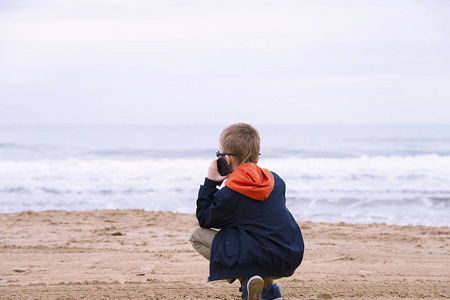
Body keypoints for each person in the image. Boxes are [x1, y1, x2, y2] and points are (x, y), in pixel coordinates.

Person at [190, 123, 304, 300]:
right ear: (257, 158)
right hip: (289, 256)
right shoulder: (276, 181)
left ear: (225, 160)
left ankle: (247, 279)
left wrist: (210, 182)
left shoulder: (230, 194)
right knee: (246, 229)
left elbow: (204, 219)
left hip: (261, 257)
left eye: (219, 155)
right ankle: (270, 288)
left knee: (197, 236)